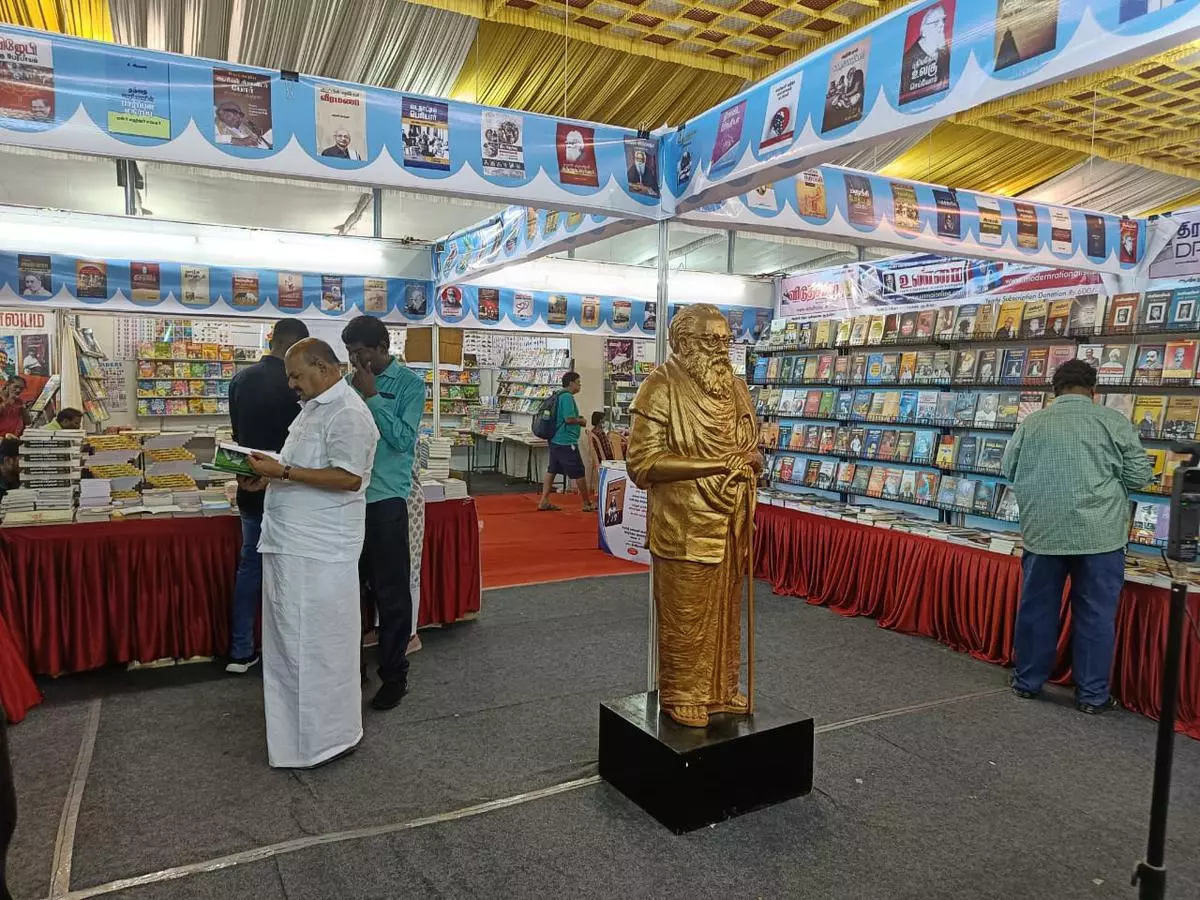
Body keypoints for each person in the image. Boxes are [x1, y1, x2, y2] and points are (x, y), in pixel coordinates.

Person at [244, 338, 378, 769]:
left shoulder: (348, 413)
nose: (291, 385)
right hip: (293, 543)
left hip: (319, 550)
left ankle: (324, 739)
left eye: (297, 375)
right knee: (292, 645)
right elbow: (302, 466)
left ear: (323, 367)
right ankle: (298, 740)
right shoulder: (315, 409)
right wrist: (267, 475)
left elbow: (349, 478)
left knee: (317, 646)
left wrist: (281, 471)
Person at [626, 304, 761, 727]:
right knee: (687, 614)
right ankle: (683, 692)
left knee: (725, 610)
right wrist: (715, 466)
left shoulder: (736, 388)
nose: (722, 348)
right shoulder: (659, 387)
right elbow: (642, 464)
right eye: (711, 340)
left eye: (726, 339)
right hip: (683, 523)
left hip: (731, 518)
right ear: (683, 343)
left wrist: (748, 462)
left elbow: (751, 448)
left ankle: (720, 689)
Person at [1002, 359, 1154, 714]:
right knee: (1096, 615)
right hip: (1101, 536)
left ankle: (1028, 682)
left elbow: (1009, 467)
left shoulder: (1033, 423)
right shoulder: (1112, 422)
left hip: (1043, 532)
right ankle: (1092, 696)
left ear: (1054, 390)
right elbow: (1139, 476)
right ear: (1093, 390)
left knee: (1037, 609)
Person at [341, 315, 425, 711]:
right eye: (350, 354)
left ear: (380, 348)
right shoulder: (347, 382)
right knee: (349, 593)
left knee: (391, 595)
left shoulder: (409, 385)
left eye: (360, 354)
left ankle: (394, 675)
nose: (356, 362)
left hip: (386, 500)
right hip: (347, 499)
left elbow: (405, 439)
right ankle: (350, 671)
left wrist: (372, 396)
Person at [225, 319, 310, 674]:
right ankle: (290, 654)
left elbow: (237, 434)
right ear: (301, 347)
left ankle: (240, 650)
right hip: (292, 489)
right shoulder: (302, 384)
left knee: (251, 566)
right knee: (293, 571)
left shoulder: (240, 380)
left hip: (250, 485)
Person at [538, 372, 595, 513]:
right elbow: (569, 419)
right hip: (566, 441)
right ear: (571, 383)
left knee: (552, 469)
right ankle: (587, 503)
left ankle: (544, 500)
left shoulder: (559, 395)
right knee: (579, 471)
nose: (580, 385)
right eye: (578, 382)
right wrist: (581, 420)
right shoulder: (567, 397)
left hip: (555, 439)